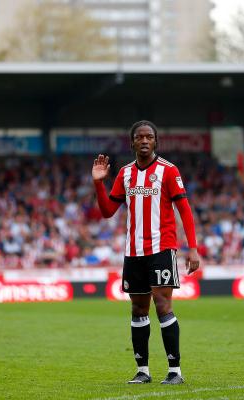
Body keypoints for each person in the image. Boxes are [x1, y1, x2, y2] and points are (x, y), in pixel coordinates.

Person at [92, 120, 199, 385]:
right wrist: (98, 184)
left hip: (162, 248)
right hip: (134, 252)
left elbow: (184, 210)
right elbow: (107, 212)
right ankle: (143, 371)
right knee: (138, 309)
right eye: (139, 137)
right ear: (132, 143)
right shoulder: (125, 174)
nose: (144, 140)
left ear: (155, 142)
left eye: (148, 137)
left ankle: (175, 371)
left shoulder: (168, 171)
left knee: (163, 305)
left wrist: (193, 248)